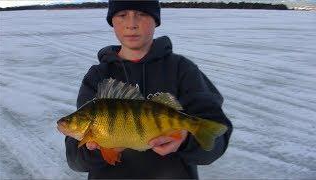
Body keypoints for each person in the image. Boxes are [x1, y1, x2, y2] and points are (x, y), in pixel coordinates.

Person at [64, 0, 233, 179]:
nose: (131, 24)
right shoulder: (98, 76)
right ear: (112, 21)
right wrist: (98, 149)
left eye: (142, 14)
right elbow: (75, 160)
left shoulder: (182, 69)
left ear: (156, 20)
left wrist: (185, 140)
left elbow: (216, 143)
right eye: (122, 15)